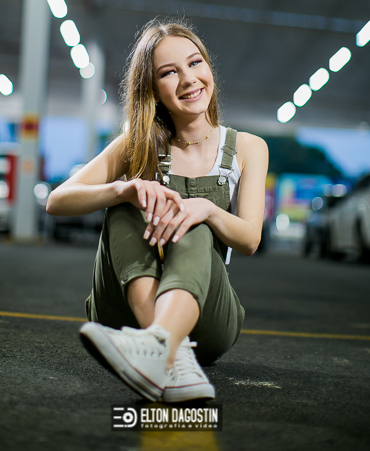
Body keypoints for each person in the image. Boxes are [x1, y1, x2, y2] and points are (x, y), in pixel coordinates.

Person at [46, 20, 268, 403]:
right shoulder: (135, 144)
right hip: (125, 315)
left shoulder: (249, 147)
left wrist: (207, 209)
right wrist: (123, 188)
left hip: (206, 319)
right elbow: (57, 201)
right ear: (152, 89)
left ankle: (161, 348)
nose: (188, 79)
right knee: (127, 200)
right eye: (169, 72)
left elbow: (249, 240)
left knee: (194, 219)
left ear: (208, 67)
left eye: (195, 63)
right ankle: (165, 352)